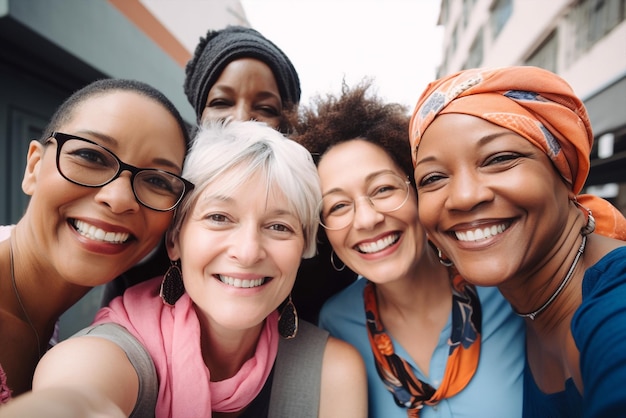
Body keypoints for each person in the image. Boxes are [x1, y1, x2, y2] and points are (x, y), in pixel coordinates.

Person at [0, 120, 368, 417]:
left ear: (304, 248)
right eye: (220, 217)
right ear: (175, 240)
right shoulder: (116, 352)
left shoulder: (331, 372)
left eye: (279, 227)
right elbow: (76, 396)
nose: (248, 251)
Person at [293, 80, 524, 417]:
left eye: (383, 189)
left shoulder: (508, 291)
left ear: (418, 189)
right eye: (338, 206)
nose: (368, 219)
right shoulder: (335, 323)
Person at [410, 66, 626, 417]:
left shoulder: (614, 299)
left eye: (499, 159)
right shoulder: (508, 306)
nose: (464, 197)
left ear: (563, 172)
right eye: (433, 178)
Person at [106, 25, 357, 323]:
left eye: (265, 107)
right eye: (221, 103)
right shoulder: (156, 213)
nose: (240, 118)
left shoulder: (321, 237)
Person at [0, 78, 192, 402]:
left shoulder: (46, 320)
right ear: (33, 167)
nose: (118, 199)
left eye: (157, 180)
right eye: (91, 156)